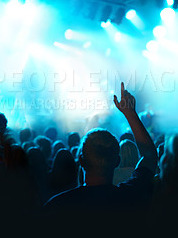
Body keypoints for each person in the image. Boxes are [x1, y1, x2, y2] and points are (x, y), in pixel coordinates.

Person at [43, 82, 158, 234]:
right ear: (117, 162)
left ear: (81, 162)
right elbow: (149, 157)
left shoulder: (56, 206)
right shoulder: (129, 197)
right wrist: (130, 114)